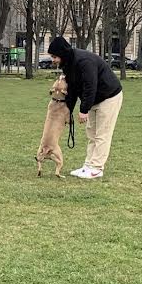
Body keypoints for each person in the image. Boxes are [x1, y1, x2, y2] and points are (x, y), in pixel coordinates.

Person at [48, 36, 123, 180]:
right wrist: (68, 111)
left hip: (109, 97)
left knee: (102, 134)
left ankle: (96, 168)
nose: (53, 60)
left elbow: (90, 86)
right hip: (94, 100)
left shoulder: (84, 61)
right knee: (91, 133)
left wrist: (83, 110)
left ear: (62, 54)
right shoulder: (68, 64)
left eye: (54, 56)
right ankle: (88, 165)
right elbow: (74, 89)